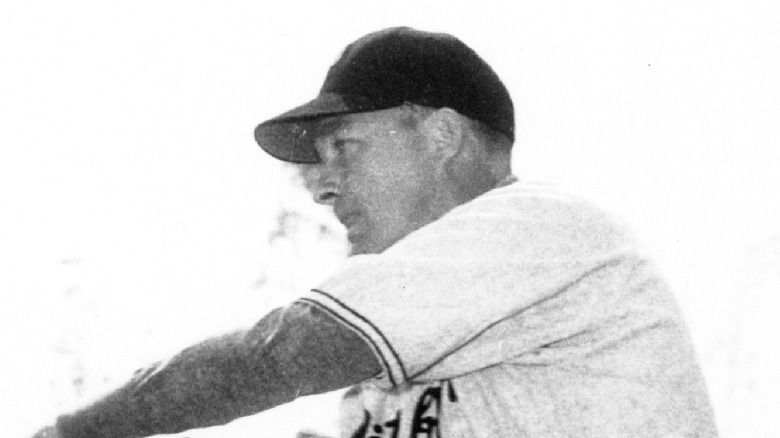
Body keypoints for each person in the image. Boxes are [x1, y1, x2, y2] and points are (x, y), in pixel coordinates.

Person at [32, 27, 718, 438]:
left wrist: (71, 432)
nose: (324, 185)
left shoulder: (543, 227)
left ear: (443, 135)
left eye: (345, 148)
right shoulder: (389, 353)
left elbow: (276, 356)